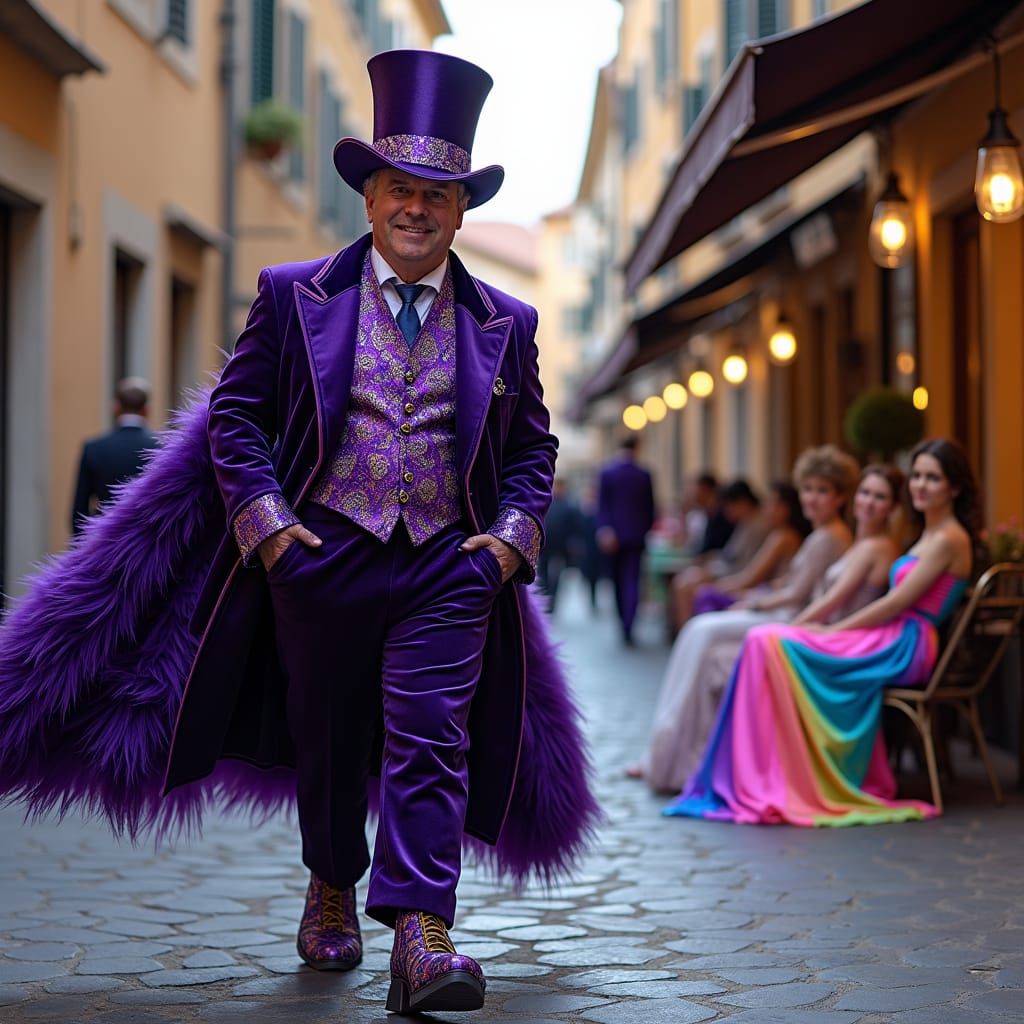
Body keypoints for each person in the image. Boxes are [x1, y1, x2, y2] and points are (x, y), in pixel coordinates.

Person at [0, 50, 599, 1018]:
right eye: (400, 188)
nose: (417, 208)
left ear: (460, 213)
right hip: (320, 553)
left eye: (438, 195)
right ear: (368, 198)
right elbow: (236, 420)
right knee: (327, 734)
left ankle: (420, 932)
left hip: (450, 564)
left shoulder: (508, 321)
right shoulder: (291, 294)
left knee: (430, 736)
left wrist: (507, 540)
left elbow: (532, 446)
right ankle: (331, 880)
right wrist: (270, 528)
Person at [666, 440, 974, 826]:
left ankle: (780, 776)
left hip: (904, 642)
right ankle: (760, 774)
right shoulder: (928, 534)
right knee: (764, 640)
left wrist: (832, 632)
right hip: (889, 633)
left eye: (933, 478)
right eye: (917, 475)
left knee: (770, 641)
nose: (921, 485)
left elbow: (895, 604)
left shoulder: (947, 538)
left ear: (955, 488)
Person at [627, 445, 860, 793]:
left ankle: (677, 759)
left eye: (822, 491)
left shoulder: (829, 537)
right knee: (698, 634)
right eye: (808, 489)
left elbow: (799, 595)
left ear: (840, 497)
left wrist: (754, 604)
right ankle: (671, 755)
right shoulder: (821, 534)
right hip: (782, 611)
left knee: (701, 634)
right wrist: (759, 599)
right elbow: (793, 585)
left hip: (791, 620)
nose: (812, 499)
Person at [685, 481, 808, 618]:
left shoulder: (782, 536)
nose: (765, 508)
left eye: (771, 503)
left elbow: (753, 577)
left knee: (706, 596)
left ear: (785, 508)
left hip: (771, 598)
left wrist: (720, 586)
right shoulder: (782, 534)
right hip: (768, 593)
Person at [670, 479, 780, 629]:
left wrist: (724, 585)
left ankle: (689, 633)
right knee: (686, 582)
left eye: (771, 504)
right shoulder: (748, 523)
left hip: (739, 577)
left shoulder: (762, 528)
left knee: (692, 588)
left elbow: (749, 571)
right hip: (733, 573)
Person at [71, 376, 160, 534]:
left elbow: (78, 514)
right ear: (147, 410)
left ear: (115, 408)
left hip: (105, 541)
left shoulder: (94, 448)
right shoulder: (161, 448)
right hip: (149, 543)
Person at [596, 435, 656, 645]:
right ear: (637, 447)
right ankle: (629, 624)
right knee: (632, 580)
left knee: (617, 582)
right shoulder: (644, 474)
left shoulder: (607, 472)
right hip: (636, 536)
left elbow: (602, 505)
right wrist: (645, 529)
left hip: (613, 537)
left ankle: (623, 622)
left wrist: (605, 530)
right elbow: (650, 508)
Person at [539, 478, 580, 612]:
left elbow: (574, 529)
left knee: (556, 576)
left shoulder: (569, 506)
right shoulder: (546, 503)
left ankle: (552, 601)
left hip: (560, 548)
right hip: (545, 546)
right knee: (543, 574)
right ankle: (545, 600)